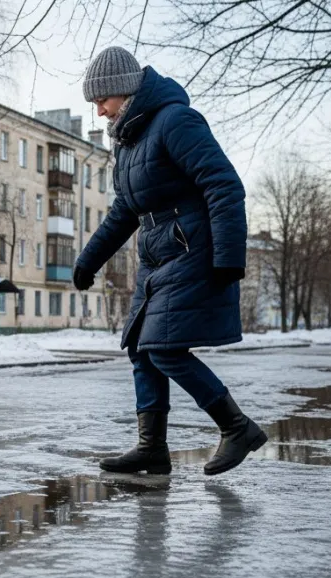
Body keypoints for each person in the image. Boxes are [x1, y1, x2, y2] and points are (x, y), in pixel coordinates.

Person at [73, 46, 266, 476]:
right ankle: (151, 448)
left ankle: (238, 427)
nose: (98, 111)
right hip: (156, 255)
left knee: (164, 349)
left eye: (101, 100)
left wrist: (230, 257)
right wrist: (90, 259)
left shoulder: (175, 121)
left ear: (123, 91)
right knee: (140, 348)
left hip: (193, 248)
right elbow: (125, 210)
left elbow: (224, 185)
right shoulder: (127, 144)